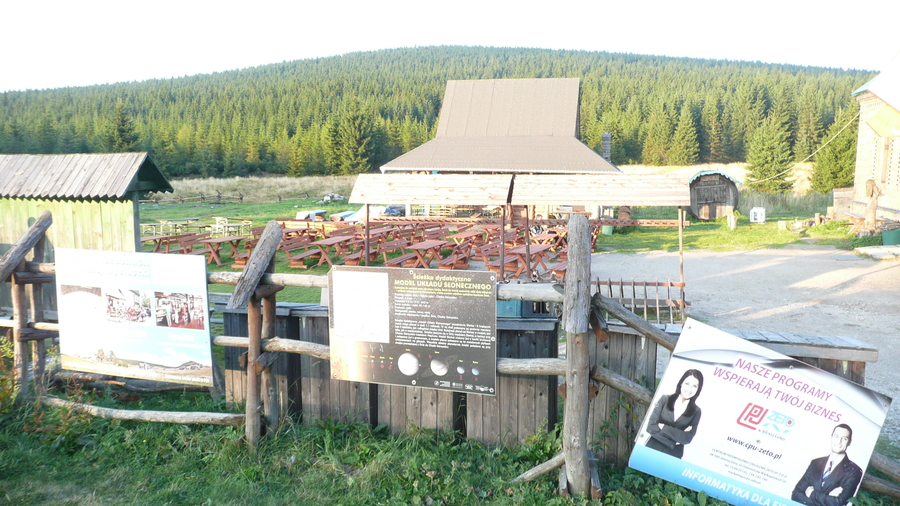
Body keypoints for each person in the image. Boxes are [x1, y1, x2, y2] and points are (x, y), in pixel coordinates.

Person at [791, 424, 863, 506]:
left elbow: (839, 502)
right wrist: (826, 500)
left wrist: (812, 494)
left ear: (849, 442)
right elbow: (796, 494)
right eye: (836, 436)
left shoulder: (854, 471)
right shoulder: (815, 463)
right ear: (831, 437)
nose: (839, 442)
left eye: (844, 438)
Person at [644, 369, 703, 458]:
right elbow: (651, 427)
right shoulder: (665, 399)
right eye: (687, 383)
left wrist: (663, 427)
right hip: (652, 449)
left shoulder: (696, 411)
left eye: (694, 386)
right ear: (681, 383)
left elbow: (687, 438)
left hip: (673, 456)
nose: (689, 389)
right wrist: (674, 441)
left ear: (698, 389)